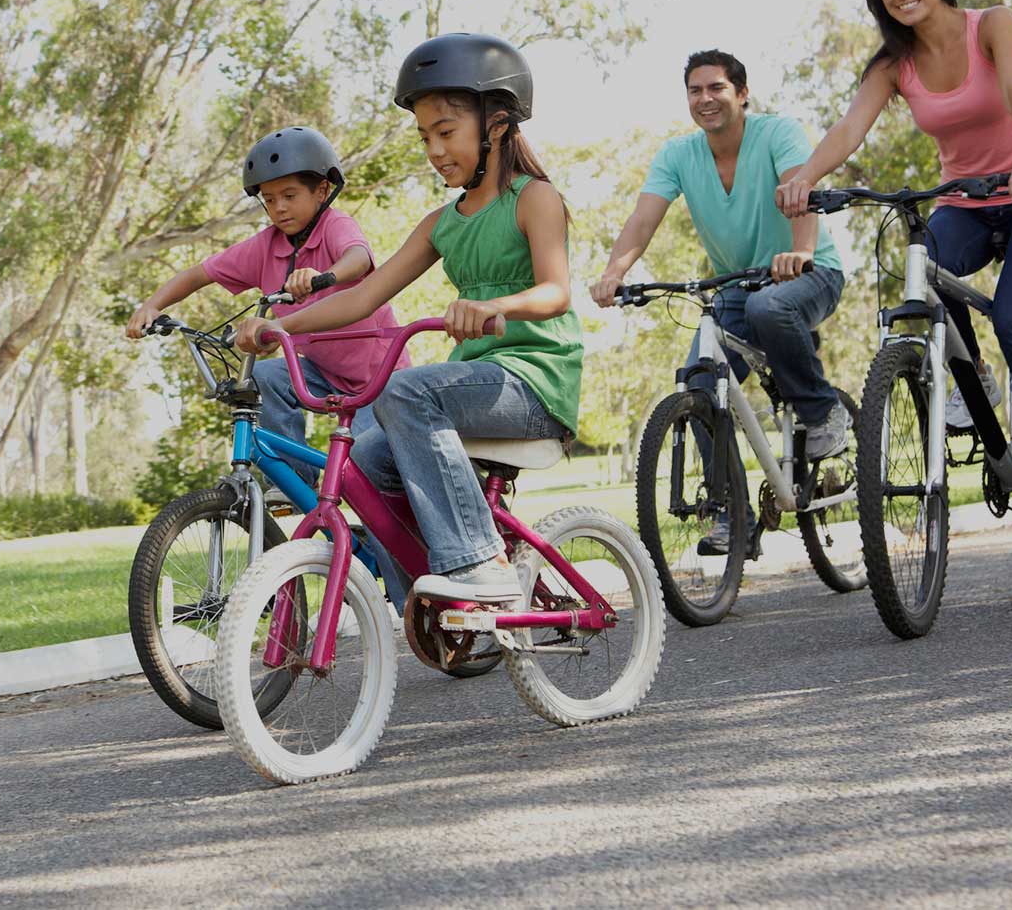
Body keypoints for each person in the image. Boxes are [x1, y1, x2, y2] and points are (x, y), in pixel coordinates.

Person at [235, 34, 580, 606]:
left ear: (496, 125)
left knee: (402, 393)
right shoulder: (441, 222)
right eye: (425, 137)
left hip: (534, 381)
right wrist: (282, 325)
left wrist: (493, 306)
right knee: (363, 466)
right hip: (473, 383)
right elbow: (364, 295)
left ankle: (478, 559)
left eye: (446, 132)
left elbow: (556, 292)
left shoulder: (533, 198)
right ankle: (429, 603)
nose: (435, 149)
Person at [776, 0, 1012, 539]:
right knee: (924, 258)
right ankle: (973, 377)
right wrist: (806, 179)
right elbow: (849, 129)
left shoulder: (991, 25)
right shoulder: (896, 64)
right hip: (966, 203)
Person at [590, 49, 852, 555]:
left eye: (716, 88)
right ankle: (733, 517)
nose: (705, 99)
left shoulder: (776, 133)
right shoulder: (677, 156)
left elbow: (801, 190)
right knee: (700, 382)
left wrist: (799, 251)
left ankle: (822, 412)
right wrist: (613, 273)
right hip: (737, 283)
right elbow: (644, 219)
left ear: (742, 93)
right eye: (695, 90)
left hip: (809, 271)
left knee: (769, 309)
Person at [125, 125, 407, 466]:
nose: (279, 208)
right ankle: (293, 479)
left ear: (321, 190)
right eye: (270, 200)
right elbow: (199, 274)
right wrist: (152, 305)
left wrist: (324, 276)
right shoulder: (266, 245)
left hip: (380, 378)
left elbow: (358, 257)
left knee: (367, 463)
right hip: (323, 371)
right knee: (263, 378)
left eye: (289, 196)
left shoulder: (335, 224)